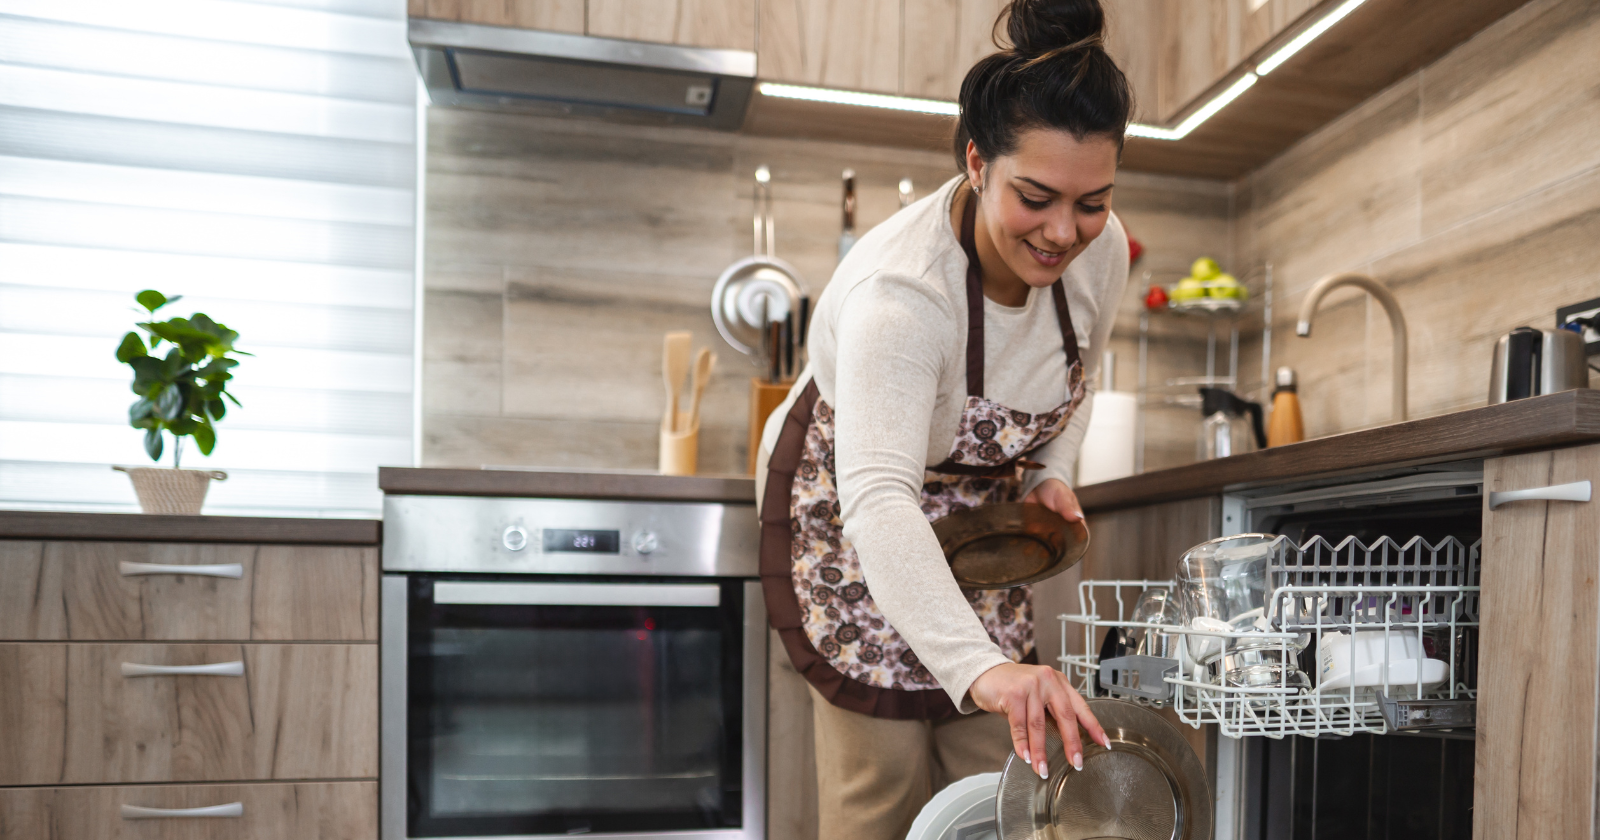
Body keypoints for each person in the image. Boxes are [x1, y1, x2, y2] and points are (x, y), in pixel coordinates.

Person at [754, 0, 1134, 836]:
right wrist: (981, 668)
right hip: (856, 510)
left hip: (977, 518)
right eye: (1035, 197)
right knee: (881, 794)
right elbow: (881, 499)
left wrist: (1048, 472)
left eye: (1092, 202)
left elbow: (1081, 375)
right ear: (975, 161)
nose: (1064, 232)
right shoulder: (903, 294)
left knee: (1003, 784)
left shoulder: (1101, 253)